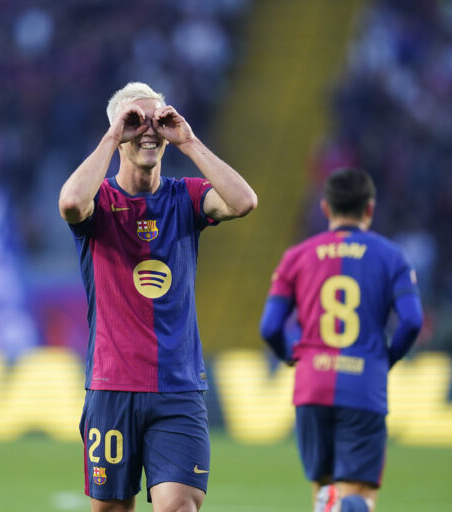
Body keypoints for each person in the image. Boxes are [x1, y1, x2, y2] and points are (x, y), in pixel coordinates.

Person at [59, 82, 257, 512]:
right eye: (136, 121)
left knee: (179, 506)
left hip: (178, 387)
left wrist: (188, 141)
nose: (148, 130)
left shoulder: (186, 196)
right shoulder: (100, 200)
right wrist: (113, 135)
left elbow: (244, 202)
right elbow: (71, 202)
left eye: (157, 120)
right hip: (113, 386)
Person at [259, 168, 424, 512]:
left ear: (325, 208)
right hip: (364, 383)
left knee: (325, 491)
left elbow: (270, 327)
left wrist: (291, 356)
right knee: (358, 496)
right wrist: (387, 358)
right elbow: (412, 320)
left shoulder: (297, 256)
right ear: (370, 209)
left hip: (312, 385)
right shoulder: (392, 257)